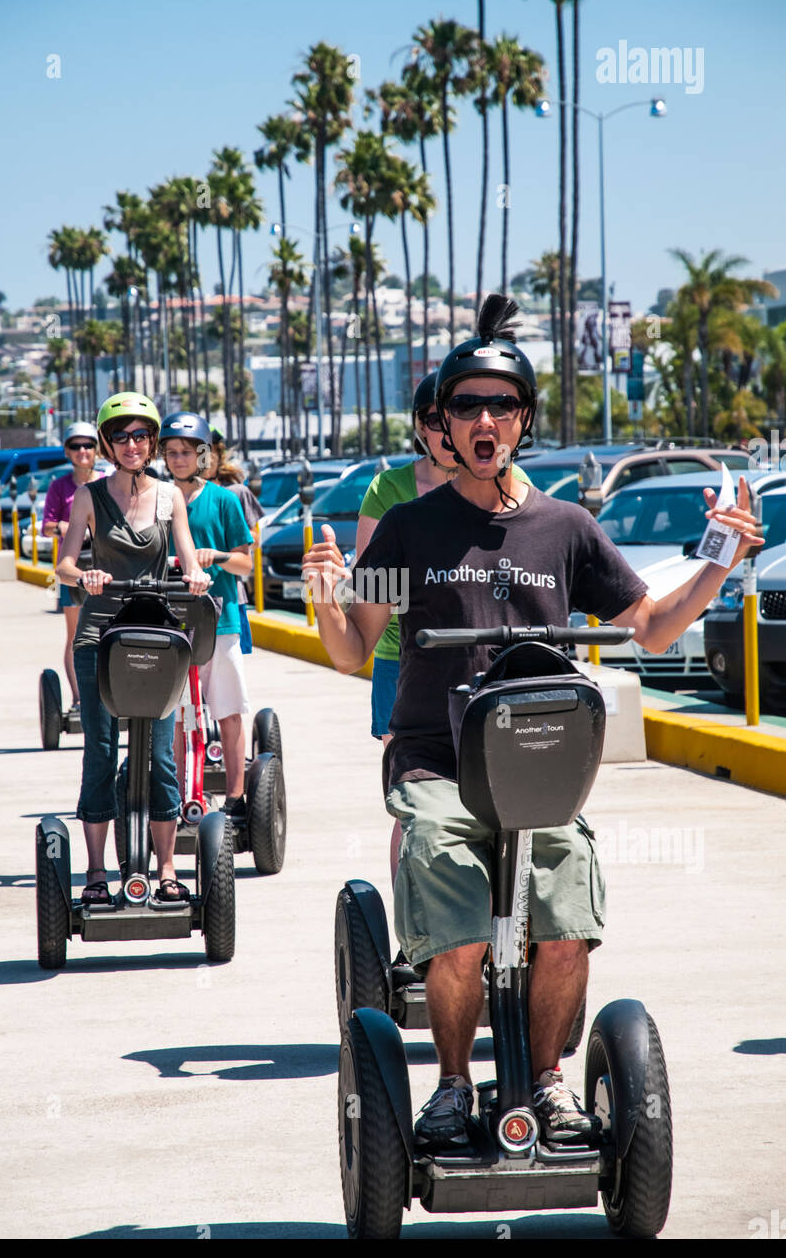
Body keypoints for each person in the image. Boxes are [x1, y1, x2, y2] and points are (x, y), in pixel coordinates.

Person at [304, 293, 763, 1152]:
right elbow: (348, 652)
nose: (484, 420)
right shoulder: (405, 526)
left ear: (521, 420)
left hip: (541, 766)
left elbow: (650, 625)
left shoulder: (566, 526)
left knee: (564, 935)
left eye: (501, 406)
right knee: (459, 934)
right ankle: (447, 1086)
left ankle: (550, 1082)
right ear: (441, 423)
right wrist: (326, 595)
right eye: (466, 406)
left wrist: (720, 558)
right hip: (436, 759)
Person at [356, 372, 530, 881]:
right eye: (435, 419)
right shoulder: (391, 491)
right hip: (404, 656)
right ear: (423, 427)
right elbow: (370, 573)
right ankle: (412, 910)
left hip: (486, 659)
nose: (443, 429)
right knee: (412, 797)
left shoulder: (506, 486)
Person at [55, 393, 209, 905]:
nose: (132, 444)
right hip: (100, 637)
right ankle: (97, 872)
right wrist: (87, 574)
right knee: (100, 753)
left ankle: (166, 869)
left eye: (142, 435)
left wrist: (195, 574)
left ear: (153, 442)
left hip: (155, 636)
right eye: (121, 436)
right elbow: (64, 566)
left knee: (161, 755)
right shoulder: (88, 498)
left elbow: (187, 556)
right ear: (106, 443)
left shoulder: (170, 498)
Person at [158, 412, 255, 816]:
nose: (178, 460)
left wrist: (216, 557)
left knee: (229, 712)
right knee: (179, 717)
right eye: (171, 453)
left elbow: (246, 565)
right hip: (173, 620)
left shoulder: (224, 500)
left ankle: (235, 797)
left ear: (202, 455)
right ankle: (183, 796)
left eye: (186, 452)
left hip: (222, 620)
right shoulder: (157, 500)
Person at [42, 422, 102, 710]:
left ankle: (109, 694)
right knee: (77, 635)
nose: (82, 451)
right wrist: (67, 527)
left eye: (88, 445)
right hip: (72, 570)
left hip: (104, 569)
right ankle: (80, 699)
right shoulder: (59, 486)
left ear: (97, 450)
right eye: (76, 446)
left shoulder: (106, 482)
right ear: (67, 451)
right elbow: (47, 526)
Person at [202, 430, 264, 654]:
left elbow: (255, 537)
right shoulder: (180, 494)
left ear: (219, 454)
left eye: (210, 450)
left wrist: (227, 545)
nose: (205, 457)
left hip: (230, 593)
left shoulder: (236, 492)